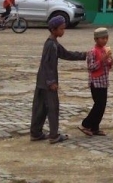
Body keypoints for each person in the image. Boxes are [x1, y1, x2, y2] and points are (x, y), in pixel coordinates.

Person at [29, 15, 86, 144]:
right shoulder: (51, 45)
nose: (63, 31)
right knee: (53, 108)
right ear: (54, 29)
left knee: (40, 108)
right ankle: (54, 135)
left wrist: (84, 55)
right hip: (47, 82)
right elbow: (47, 64)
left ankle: (36, 133)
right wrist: (52, 82)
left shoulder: (53, 43)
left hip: (41, 81)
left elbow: (66, 54)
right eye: (61, 29)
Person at [79, 27, 113, 137]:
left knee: (102, 105)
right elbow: (91, 67)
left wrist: (110, 62)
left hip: (103, 80)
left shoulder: (105, 50)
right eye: (102, 38)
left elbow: (107, 65)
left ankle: (95, 127)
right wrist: (102, 60)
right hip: (96, 82)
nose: (104, 40)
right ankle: (85, 124)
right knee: (98, 104)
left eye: (106, 38)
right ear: (96, 39)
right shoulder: (92, 52)